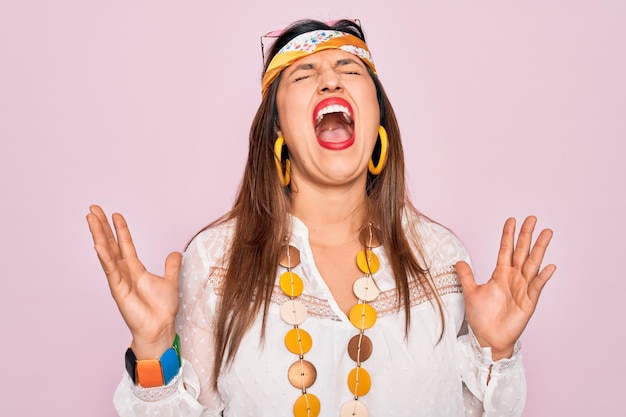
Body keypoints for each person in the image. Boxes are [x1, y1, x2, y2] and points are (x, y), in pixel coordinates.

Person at [87, 18, 556, 417]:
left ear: (378, 123)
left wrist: (496, 352)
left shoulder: (442, 260)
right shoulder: (214, 262)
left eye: (349, 68)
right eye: (304, 73)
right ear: (278, 130)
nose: (330, 80)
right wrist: (152, 346)